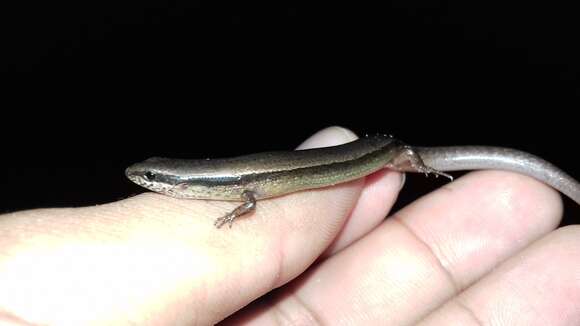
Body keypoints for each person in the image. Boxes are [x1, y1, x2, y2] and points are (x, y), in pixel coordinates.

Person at [0, 127, 578, 325]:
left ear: (177, 183)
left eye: (153, 179)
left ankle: (418, 161)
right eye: (153, 179)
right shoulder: (226, 182)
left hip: (379, 154)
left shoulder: (238, 187)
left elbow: (251, 195)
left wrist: (237, 211)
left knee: (408, 159)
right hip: (358, 157)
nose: (146, 181)